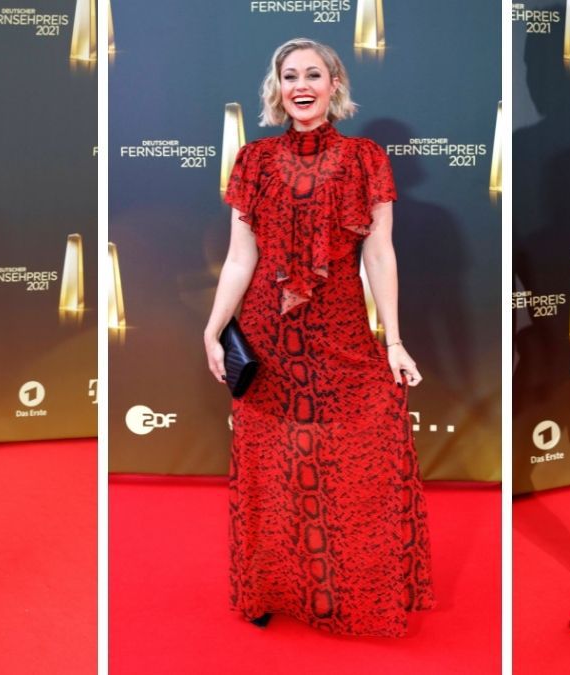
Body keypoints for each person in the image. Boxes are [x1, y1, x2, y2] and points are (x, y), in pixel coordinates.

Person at [202, 37, 435, 637]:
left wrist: (394, 340)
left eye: (312, 74)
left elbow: (379, 255)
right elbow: (240, 257)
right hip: (266, 333)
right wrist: (213, 326)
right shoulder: (253, 160)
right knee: (270, 464)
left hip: (340, 330)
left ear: (335, 85)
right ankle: (268, 587)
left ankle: (356, 591)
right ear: (276, 89)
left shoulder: (364, 158)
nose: (301, 86)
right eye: (289, 76)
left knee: (353, 460)